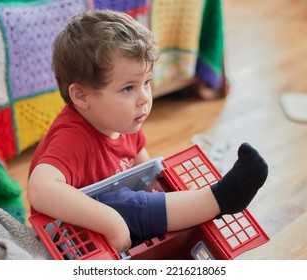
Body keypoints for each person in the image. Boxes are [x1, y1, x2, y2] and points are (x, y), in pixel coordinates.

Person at [27, 9, 268, 253]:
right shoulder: (71, 138)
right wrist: (111, 221)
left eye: (146, 83)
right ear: (81, 95)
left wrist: (153, 185)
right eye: (128, 88)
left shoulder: (122, 120)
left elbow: (138, 158)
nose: (144, 98)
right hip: (70, 240)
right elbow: (40, 189)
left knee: (146, 202)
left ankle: (201, 207)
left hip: (114, 224)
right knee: (124, 204)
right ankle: (221, 198)